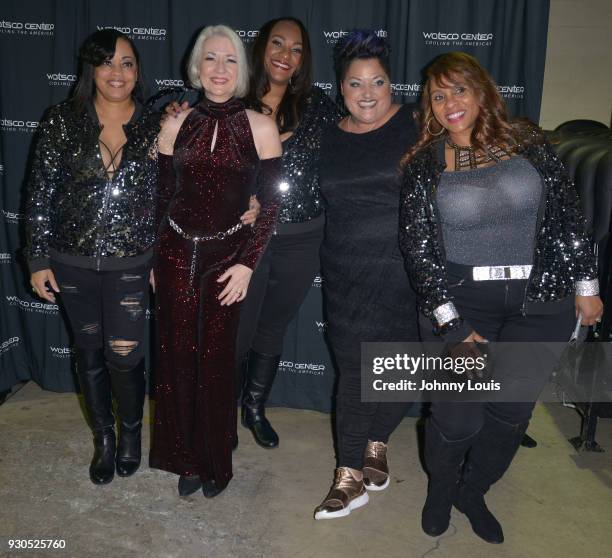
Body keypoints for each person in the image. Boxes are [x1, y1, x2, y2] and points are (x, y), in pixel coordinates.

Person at [399, 52, 603, 543]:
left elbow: (567, 214)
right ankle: (441, 491)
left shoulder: (528, 141)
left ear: (481, 91)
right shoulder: (425, 165)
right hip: (467, 304)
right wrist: (452, 324)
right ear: (430, 107)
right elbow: (419, 251)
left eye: (459, 89)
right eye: (438, 95)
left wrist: (587, 286)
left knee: (510, 414)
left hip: (541, 303)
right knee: (458, 416)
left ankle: (474, 491)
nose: (450, 102)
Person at [149, 25, 282, 498]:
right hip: (174, 253)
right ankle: (185, 459)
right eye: (210, 58)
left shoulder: (260, 125)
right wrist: (153, 259)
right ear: (196, 66)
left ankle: (215, 461)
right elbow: (163, 196)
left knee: (217, 363)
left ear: (241, 70)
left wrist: (247, 263)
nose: (219, 69)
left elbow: (270, 205)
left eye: (229, 60)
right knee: (177, 361)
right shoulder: (175, 122)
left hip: (227, 258)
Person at [25, 29, 160, 485]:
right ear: (91, 69)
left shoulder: (156, 125)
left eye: (126, 63)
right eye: (107, 63)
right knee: (90, 355)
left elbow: (169, 199)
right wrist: (37, 258)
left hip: (132, 263)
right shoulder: (62, 120)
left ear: (137, 70)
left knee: (125, 355)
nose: (116, 73)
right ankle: (104, 438)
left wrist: (161, 259)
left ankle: (131, 434)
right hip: (71, 262)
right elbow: (39, 192)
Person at [313, 30, 420, 519]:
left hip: (406, 271)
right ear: (341, 88)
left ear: (391, 83)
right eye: (355, 84)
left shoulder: (419, 125)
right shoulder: (328, 135)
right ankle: (349, 475)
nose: (367, 93)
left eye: (377, 81)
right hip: (344, 271)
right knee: (356, 372)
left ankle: (377, 441)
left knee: (399, 374)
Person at [236, 17, 340, 449]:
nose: (285, 55)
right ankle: (220, 409)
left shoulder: (319, 105)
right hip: (244, 237)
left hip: (302, 235)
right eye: (278, 44)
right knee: (237, 327)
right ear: (261, 48)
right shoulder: (233, 99)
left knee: (273, 325)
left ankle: (254, 407)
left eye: (296, 49)